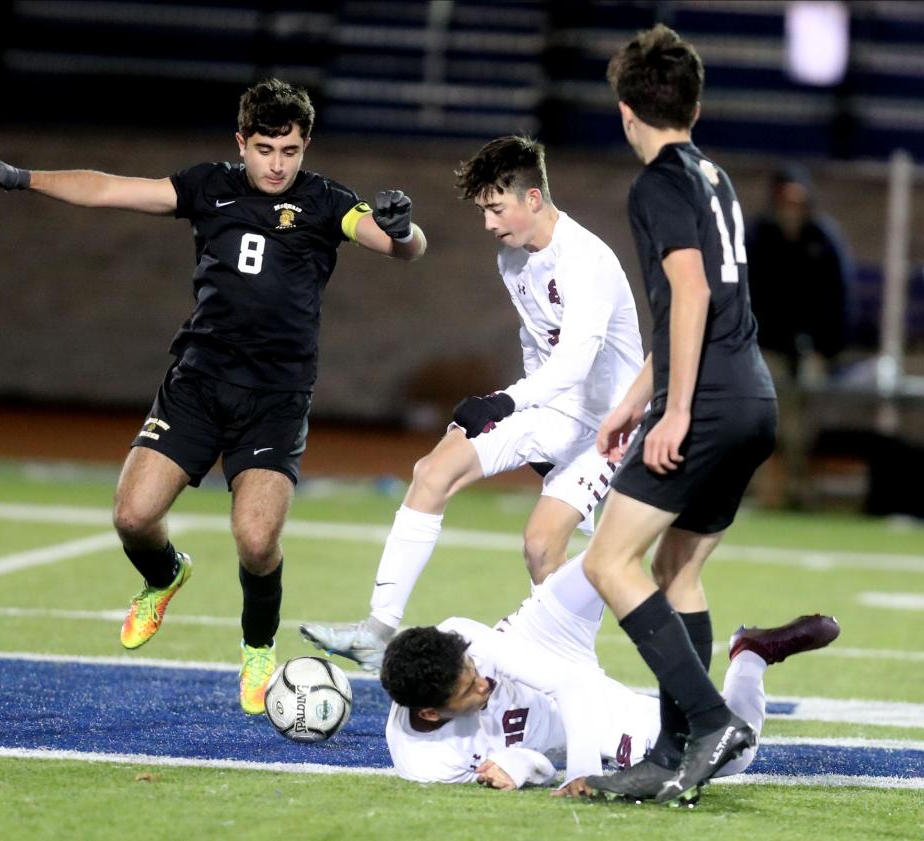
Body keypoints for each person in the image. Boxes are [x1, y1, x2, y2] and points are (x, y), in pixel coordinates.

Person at [0, 79, 427, 715]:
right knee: (132, 515)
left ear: (306, 147)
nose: (276, 163)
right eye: (264, 148)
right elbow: (108, 188)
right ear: (241, 143)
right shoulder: (208, 186)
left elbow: (397, 246)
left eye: (290, 150)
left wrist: (405, 232)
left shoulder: (328, 202)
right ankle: (165, 576)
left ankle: (257, 648)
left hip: (275, 396)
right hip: (198, 382)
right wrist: (24, 176)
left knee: (256, 539)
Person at [300, 135, 644, 672]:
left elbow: (575, 362)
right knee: (433, 470)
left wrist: (506, 403)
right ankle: (376, 631)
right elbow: (538, 348)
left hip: (610, 426)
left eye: (495, 208)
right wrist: (525, 428)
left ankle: (576, 674)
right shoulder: (513, 257)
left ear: (533, 198)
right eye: (483, 210)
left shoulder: (588, 261)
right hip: (552, 409)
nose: (488, 224)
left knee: (540, 547)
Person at [576, 25, 779, 803]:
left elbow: (690, 295)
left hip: (713, 399)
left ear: (628, 111)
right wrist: (635, 402)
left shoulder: (656, 180)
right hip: (752, 396)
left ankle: (708, 718)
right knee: (676, 567)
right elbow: (692, 307)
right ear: (693, 105)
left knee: (606, 561)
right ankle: (669, 752)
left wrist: (675, 412)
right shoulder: (715, 176)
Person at [381, 553, 839, 804]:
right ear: (428, 711)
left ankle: (661, 497)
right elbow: (538, 764)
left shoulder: (460, 641)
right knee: (728, 754)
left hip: (537, 648)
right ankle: (751, 654)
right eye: (468, 689)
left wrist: (586, 774)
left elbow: (567, 682)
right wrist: (519, 767)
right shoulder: (428, 765)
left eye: (473, 671)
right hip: (572, 721)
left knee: (604, 558)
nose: (483, 683)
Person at [746, 165, 854, 385]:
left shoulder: (823, 239)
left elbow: (839, 296)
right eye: (785, 201)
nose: (791, 210)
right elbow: (745, 294)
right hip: (765, 348)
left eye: (797, 202)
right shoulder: (758, 238)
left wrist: (826, 350)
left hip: (813, 351)